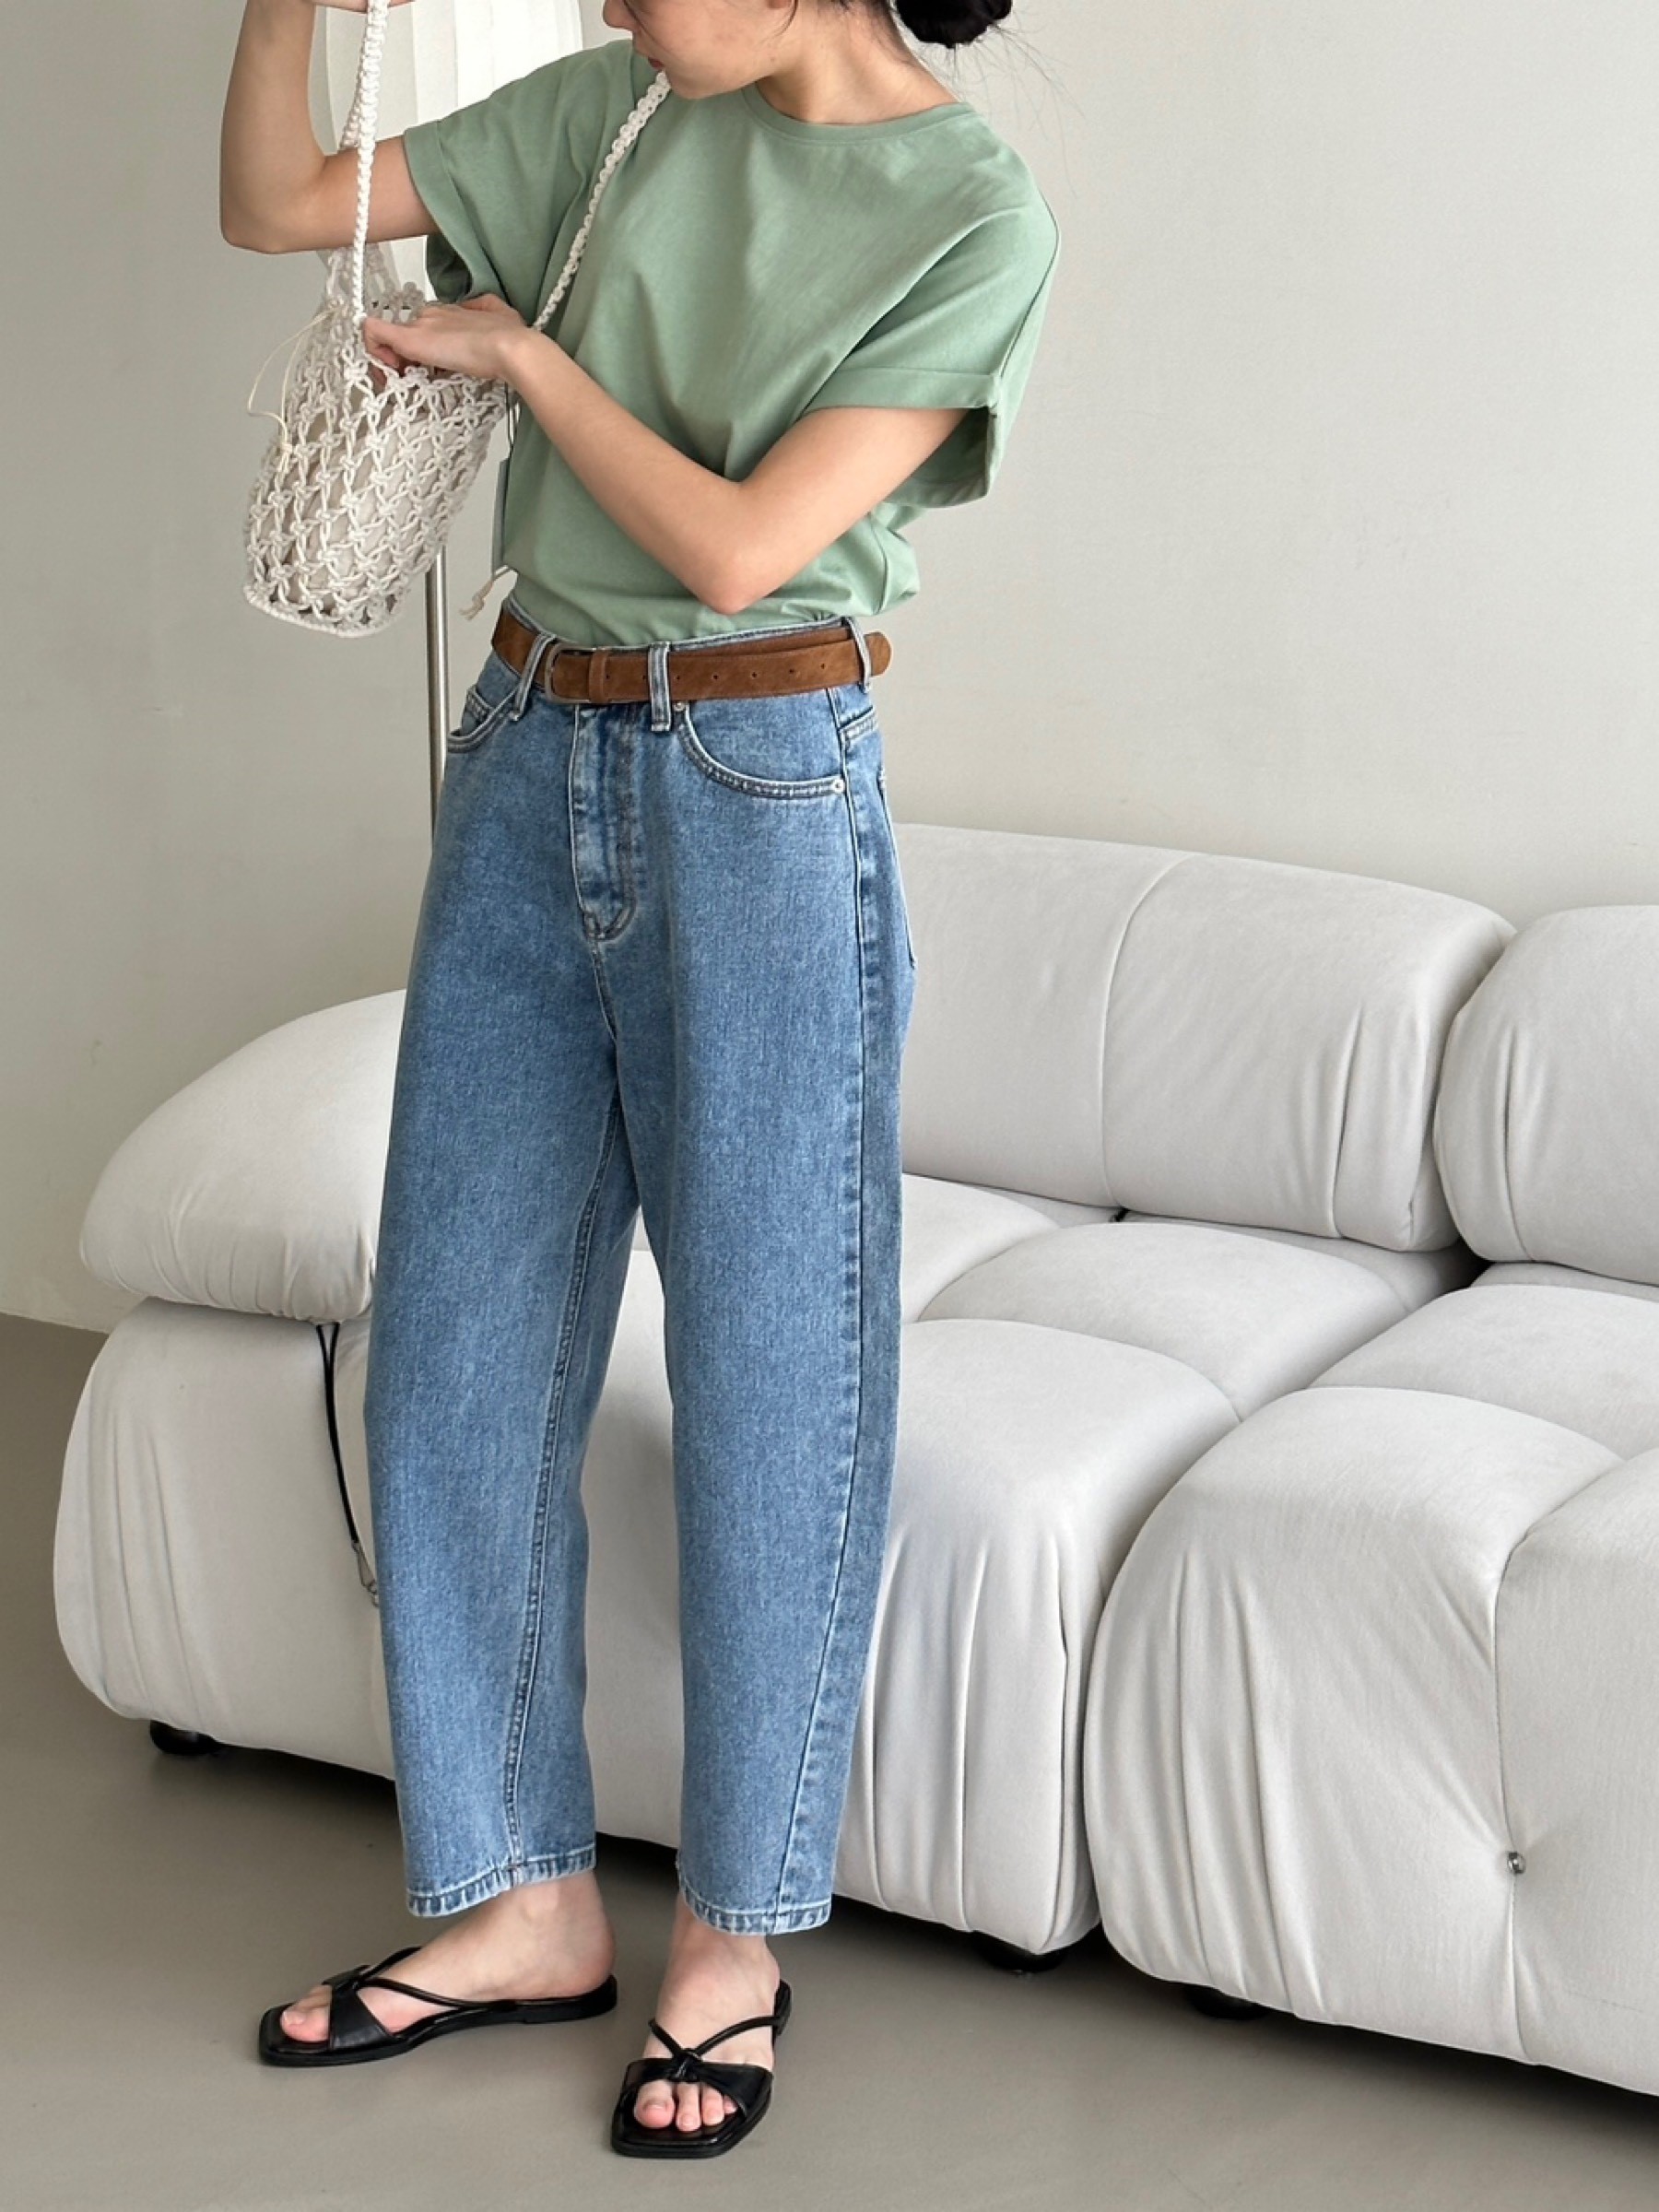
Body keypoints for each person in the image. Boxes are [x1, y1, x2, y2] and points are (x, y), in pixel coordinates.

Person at [221, 0, 1061, 2159]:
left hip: (761, 782)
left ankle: (735, 1939)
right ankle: (517, 1901)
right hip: (528, 749)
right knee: (455, 1346)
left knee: (774, 1370)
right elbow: (279, 202)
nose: (603, 2)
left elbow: (741, 546)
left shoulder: (968, 212)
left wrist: (525, 358)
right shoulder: (614, 111)